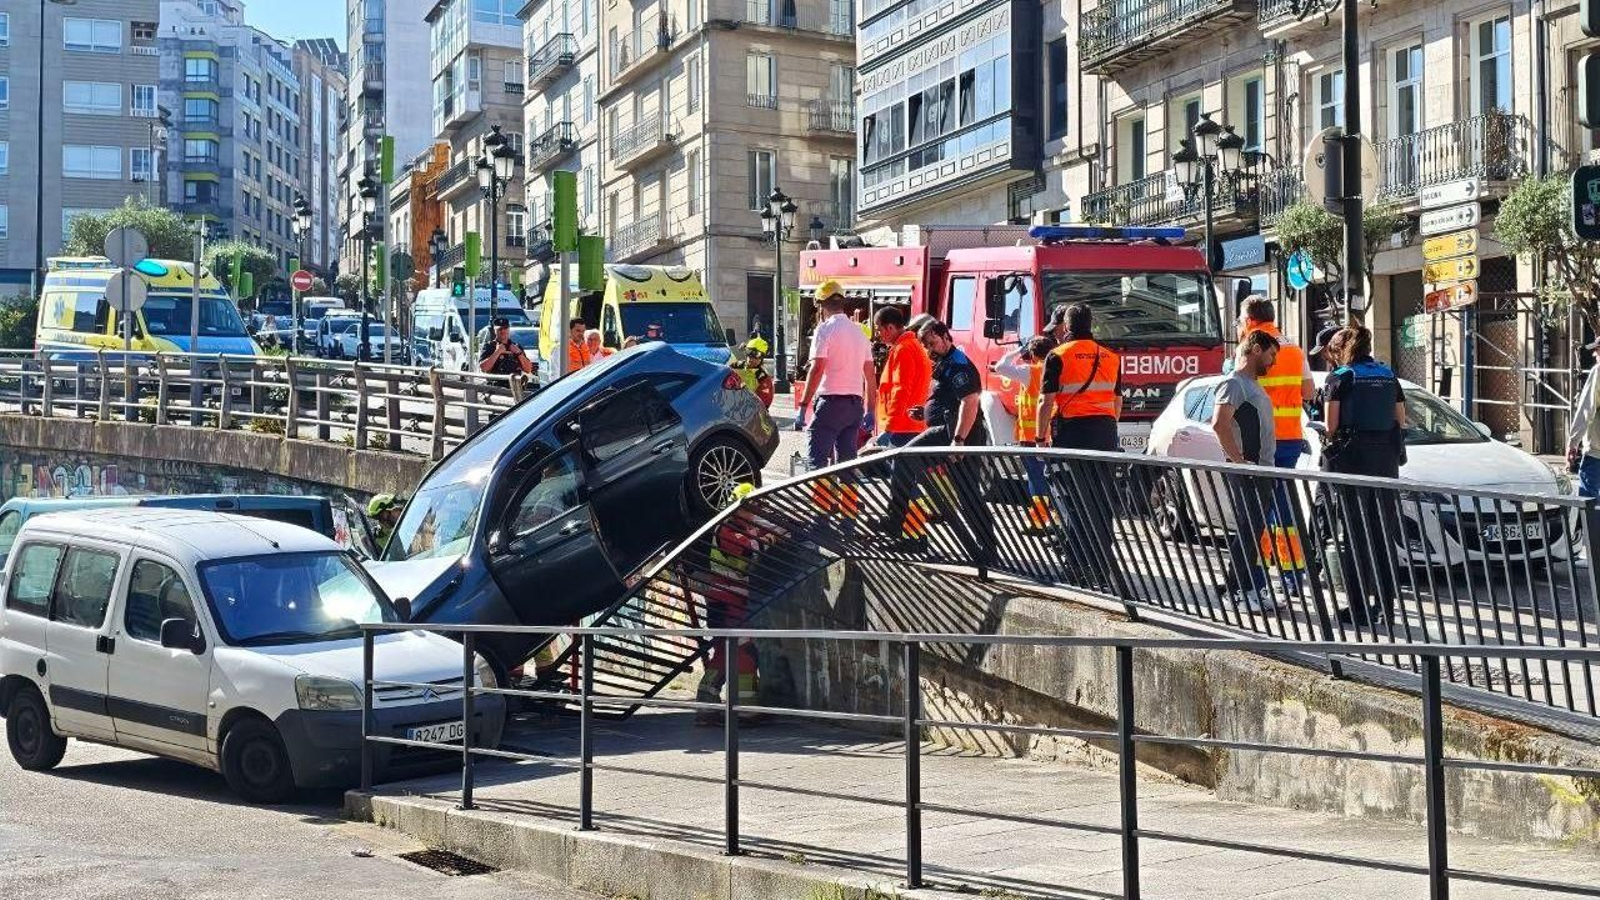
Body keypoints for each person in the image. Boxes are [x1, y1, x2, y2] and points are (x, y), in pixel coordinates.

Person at [1322, 324, 1407, 627]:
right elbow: (1400, 420)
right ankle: (1386, 606)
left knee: (1355, 535)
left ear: (1342, 349)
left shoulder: (1340, 378)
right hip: (1385, 461)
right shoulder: (1388, 375)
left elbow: (1330, 426)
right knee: (1383, 534)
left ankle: (1358, 609)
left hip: (1351, 460)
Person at [880, 320, 988, 548]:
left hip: (954, 434)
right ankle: (986, 549)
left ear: (945, 336)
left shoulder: (958, 364)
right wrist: (926, 412)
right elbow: (946, 398)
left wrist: (958, 441)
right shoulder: (944, 362)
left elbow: (970, 402)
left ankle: (895, 520)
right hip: (947, 430)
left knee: (905, 457)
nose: (929, 349)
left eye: (932, 343)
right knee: (968, 495)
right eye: (925, 346)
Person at [1211, 329, 1282, 612]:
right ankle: (1235, 591)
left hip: (1261, 470)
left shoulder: (1251, 384)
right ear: (1255, 349)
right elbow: (1219, 424)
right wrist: (1239, 461)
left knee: (1253, 531)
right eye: (1271, 354)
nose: (1273, 361)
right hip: (1248, 471)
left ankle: (1247, 587)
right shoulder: (1234, 384)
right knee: (1249, 529)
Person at [795, 280, 876, 471]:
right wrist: (870, 409)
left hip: (830, 404)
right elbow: (870, 376)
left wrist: (803, 406)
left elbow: (817, 369)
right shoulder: (860, 334)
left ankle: (820, 502)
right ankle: (848, 501)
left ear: (820, 305)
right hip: (854, 406)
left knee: (817, 463)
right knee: (847, 464)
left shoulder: (824, 330)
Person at [1037, 303, 1121, 451]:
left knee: (1065, 474)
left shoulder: (1057, 355)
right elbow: (1117, 400)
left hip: (1071, 431)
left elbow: (1046, 401)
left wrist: (1040, 439)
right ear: (1090, 325)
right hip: (1105, 432)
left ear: (1066, 327)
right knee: (1101, 474)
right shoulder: (1111, 357)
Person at [997, 335, 1058, 530]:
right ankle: (1052, 518)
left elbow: (1000, 367)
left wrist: (1017, 351)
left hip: (1032, 437)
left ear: (1031, 354)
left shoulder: (1029, 371)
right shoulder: (1057, 371)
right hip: (1051, 435)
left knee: (1036, 478)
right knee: (1050, 478)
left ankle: (1039, 521)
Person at [873, 306, 932, 448]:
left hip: (902, 428)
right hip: (909, 426)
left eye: (879, 330)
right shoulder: (912, 346)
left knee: (897, 470)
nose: (878, 335)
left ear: (890, 327)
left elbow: (900, 390)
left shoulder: (903, 350)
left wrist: (889, 428)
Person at [1567, 338, 1600, 499]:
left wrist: (1573, 443)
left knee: (1590, 503)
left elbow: (1586, 410)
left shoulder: (1598, 371)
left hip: (1597, 452)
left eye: (1598, 350)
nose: (1594, 354)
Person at [729, 336, 775, 408]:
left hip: (750, 409)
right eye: (749, 354)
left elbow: (765, 399)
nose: (750, 359)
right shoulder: (736, 366)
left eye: (756, 356)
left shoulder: (762, 377)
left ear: (761, 358)